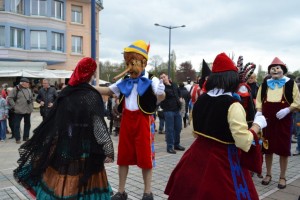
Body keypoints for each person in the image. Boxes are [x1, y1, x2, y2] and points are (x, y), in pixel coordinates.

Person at [164, 52, 267, 200]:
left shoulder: (201, 99)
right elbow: (243, 142)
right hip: (224, 160)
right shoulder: (233, 104)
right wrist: (257, 126)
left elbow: (195, 131)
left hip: (196, 157)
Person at [13, 57, 114, 199]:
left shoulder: (66, 93)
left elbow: (55, 121)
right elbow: (98, 124)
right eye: (94, 72)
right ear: (89, 74)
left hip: (65, 143)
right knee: (84, 176)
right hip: (85, 145)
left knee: (65, 176)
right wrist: (107, 148)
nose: (94, 75)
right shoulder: (92, 95)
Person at [96, 40, 165, 200]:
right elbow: (108, 89)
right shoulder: (124, 80)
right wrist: (87, 87)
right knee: (124, 157)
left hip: (144, 121)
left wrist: (162, 92)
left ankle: (147, 192)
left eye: (132, 62)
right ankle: (121, 191)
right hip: (126, 121)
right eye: (128, 62)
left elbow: (160, 96)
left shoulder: (152, 79)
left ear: (143, 62)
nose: (129, 65)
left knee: (145, 157)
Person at [257, 57, 300, 189]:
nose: (275, 70)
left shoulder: (290, 83)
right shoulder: (265, 84)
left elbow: (297, 101)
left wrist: (288, 109)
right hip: (267, 120)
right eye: (272, 68)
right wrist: (258, 111)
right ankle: (269, 174)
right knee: (267, 147)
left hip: (284, 120)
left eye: (278, 67)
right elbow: (259, 100)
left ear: (283, 70)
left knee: (283, 149)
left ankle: (282, 176)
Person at [159, 72, 184, 154]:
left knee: (178, 127)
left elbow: (179, 93)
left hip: (177, 110)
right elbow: (160, 97)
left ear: (167, 76)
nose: (163, 78)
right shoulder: (162, 88)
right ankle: (170, 146)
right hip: (168, 110)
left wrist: (180, 99)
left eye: (164, 76)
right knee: (170, 130)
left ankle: (176, 144)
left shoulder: (174, 84)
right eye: (161, 77)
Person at [7, 78, 33, 144]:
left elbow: (31, 99)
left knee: (27, 124)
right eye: (27, 83)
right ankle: (17, 138)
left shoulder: (29, 90)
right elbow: (10, 98)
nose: (28, 84)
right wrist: (14, 106)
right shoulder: (16, 89)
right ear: (23, 83)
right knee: (16, 125)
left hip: (28, 110)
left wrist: (31, 107)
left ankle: (26, 137)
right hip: (18, 110)